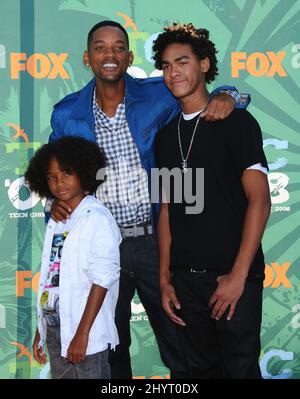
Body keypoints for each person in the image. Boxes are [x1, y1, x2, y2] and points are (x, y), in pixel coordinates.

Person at [47, 20, 251, 378]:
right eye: (100, 47)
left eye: (117, 48)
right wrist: (53, 202)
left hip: (155, 241)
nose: (109, 55)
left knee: (183, 341)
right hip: (102, 244)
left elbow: (201, 91)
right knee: (109, 346)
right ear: (87, 57)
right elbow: (53, 170)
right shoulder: (67, 113)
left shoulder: (157, 94)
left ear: (128, 57)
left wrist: (230, 95)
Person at [154, 23, 271, 378]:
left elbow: (260, 201)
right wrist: (164, 278)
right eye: (166, 65)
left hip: (233, 277)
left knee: (240, 370)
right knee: (196, 373)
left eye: (183, 61)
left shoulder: (237, 123)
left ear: (204, 64)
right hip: (185, 282)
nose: (173, 72)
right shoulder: (163, 137)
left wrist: (238, 276)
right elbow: (168, 210)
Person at [26, 136, 121, 379]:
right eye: (51, 177)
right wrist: (43, 327)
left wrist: (82, 334)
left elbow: (103, 279)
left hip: (84, 331)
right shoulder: (57, 220)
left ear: (84, 171)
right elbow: (51, 277)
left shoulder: (96, 217)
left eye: (67, 172)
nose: (59, 182)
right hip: (56, 328)